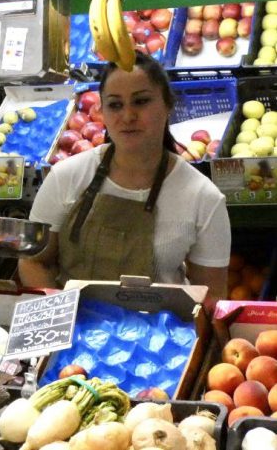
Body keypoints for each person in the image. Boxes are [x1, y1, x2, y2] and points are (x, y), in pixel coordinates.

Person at [19, 52, 230, 307]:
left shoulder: (203, 197)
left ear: (168, 106)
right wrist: (61, 319)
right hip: (75, 332)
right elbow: (33, 261)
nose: (128, 116)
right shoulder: (66, 177)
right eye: (115, 105)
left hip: (161, 338)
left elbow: (212, 296)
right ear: (103, 112)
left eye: (141, 101)